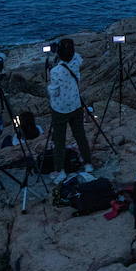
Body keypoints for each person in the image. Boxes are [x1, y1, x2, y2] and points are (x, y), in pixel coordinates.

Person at [45, 39, 93, 183]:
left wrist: (48, 80)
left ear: (59, 53)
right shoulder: (76, 61)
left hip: (60, 109)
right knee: (80, 136)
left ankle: (60, 172)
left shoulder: (55, 71)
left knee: (59, 140)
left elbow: (53, 92)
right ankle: (88, 164)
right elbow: (76, 56)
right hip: (76, 105)